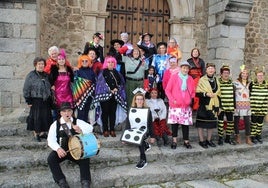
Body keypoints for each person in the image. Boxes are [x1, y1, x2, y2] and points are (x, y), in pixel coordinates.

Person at [47, 102, 93, 188]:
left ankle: (85, 182)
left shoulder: (77, 122)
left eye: (68, 111)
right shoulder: (55, 124)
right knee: (51, 159)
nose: (66, 113)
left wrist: (81, 130)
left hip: (76, 150)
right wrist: (58, 149)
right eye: (64, 111)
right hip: (62, 151)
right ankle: (62, 182)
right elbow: (50, 139)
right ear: (61, 113)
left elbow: (90, 128)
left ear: (71, 112)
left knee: (85, 158)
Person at [93, 56, 127, 137]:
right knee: (104, 113)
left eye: (112, 62)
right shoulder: (102, 73)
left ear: (114, 63)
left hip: (114, 96)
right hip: (105, 97)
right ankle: (105, 130)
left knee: (113, 113)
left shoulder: (117, 73)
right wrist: (109, 90)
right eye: (109, 62)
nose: (110, 64)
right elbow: (100, 84)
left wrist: (117, 89)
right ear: (106, 63)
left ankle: (112, 129)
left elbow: (121, 83)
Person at [165, 61, 195, 149]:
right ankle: (174, 141)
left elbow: (193, 91)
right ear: (180, 68)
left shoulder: (190, 79)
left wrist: (190, 98)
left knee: (185, 124)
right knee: (175, 124)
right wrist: (172, 100)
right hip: (175, 105)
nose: (185, 70)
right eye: (184, 68)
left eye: (187, 68)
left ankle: (186, 141)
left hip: (186, 106)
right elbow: (167, 90)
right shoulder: (174, 77)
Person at [23, 57, 53, 142]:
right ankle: (36, 134)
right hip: (35, 100)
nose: (41, 65)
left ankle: (43, 133)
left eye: (42, 64)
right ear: (35, 65)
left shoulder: (46, 75)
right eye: (39, 64)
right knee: (36, 118)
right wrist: (28, 100)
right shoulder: (31, 75)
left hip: (45, 100)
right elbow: (26, 88)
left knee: (45, 117)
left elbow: (49, 86)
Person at [124, 92, 155, 169]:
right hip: (134, 130)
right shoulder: (131, 110)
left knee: (139, 137)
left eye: (141, 99)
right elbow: (128, 124)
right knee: (137, 136)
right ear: (135, 100)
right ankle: (146, 145)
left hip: (145, 131)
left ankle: (143, 159)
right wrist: (124, 137)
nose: (139, 101)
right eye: (138, 99)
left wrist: (152, 136)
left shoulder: (148, 111)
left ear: (143, 101)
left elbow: (150, 124)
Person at [195, 63, 220, 149]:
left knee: (211, 124)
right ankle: (201, 141)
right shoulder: (202, 80)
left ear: (215, 70)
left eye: (212, 68)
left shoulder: (217, 80)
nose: (211, 70)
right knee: (201, 123)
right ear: (206, 70)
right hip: (204, 104)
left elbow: (219, 93)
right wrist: (206, 94)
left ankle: (209, 140)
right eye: (209, 68)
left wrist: (219, 106)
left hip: (213, 105)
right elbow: (197, 93)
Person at [49, 49, 74, 118]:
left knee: (68, 113)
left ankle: (68, 127)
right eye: (59, 59)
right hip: (57, 95)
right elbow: (50, 80)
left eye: (63, 59)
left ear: (65, 60)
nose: (61, 61)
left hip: (68, 94)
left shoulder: (69, 69)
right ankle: (57, 127)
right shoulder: (54, 69)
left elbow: (73, 80)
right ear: (57, 60)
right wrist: (52, 86)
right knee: (57, 114)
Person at [233, 65, 252, 145]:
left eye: (246, 73)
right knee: (236, 121)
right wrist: (233, 105)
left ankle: (248, 137)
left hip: (246, 104)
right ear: (240, 74)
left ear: (247, 75)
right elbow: (232, 94)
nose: (244, 75)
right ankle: (237, 136)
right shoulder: (236, 83)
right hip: (237, 104)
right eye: (243, 73)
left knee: (247, 121)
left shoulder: (249, 84)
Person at [217, 65, 236, 145]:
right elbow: (217, 95)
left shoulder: (232, 83)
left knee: (230, 122)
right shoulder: (218, 82)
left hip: (230, 105)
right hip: (221, 106)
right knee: (220, 122)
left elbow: (234, 95)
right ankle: (220, 138)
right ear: (221, 74)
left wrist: (234, 106)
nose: (226, 74)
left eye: (227, 73)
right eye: (224, 73)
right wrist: (218, 107)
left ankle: (228, 138)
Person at [74, 55, 96, 122]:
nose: (84, 62)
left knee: (86, 112)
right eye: (82, 61)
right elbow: (75, 83)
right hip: (80, 96)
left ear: (89, 62)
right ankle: (79, 129)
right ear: (80, 62)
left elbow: (94, 82)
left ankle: (84, 129)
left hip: (89, 95)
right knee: (80, 113)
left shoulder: (91, 71)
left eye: (86, 61)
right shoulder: (77, 71)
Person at [249, 69, 268, 144]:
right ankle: (252, 136)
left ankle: (258, 135)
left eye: (261, 75)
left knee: (260, 123)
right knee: (253, 122)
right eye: (258, 75)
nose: (260, 77)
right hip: (254, 107)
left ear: (264, 76)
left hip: (263, 107)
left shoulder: (266, 85)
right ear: (256, 76)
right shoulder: (252, 84)